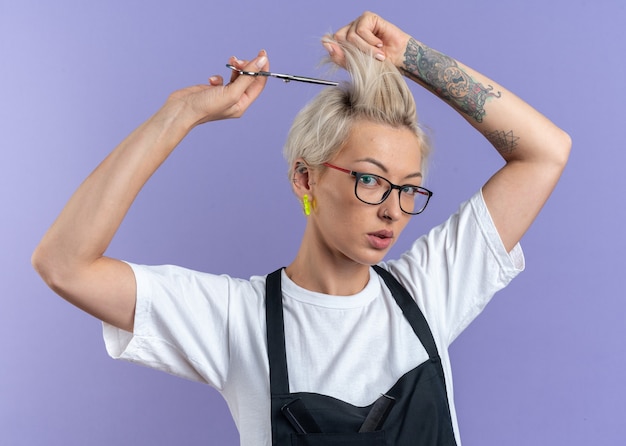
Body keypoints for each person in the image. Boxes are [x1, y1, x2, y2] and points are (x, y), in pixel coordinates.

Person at [32, 11, 571, 446]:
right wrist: (179, 115)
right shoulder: (235, 320)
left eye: (409, 189)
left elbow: (545, 152)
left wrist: (409, 58)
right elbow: (64, 264)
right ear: (305, 178)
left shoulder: (431, 291)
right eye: (370, 180)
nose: (392, 210)